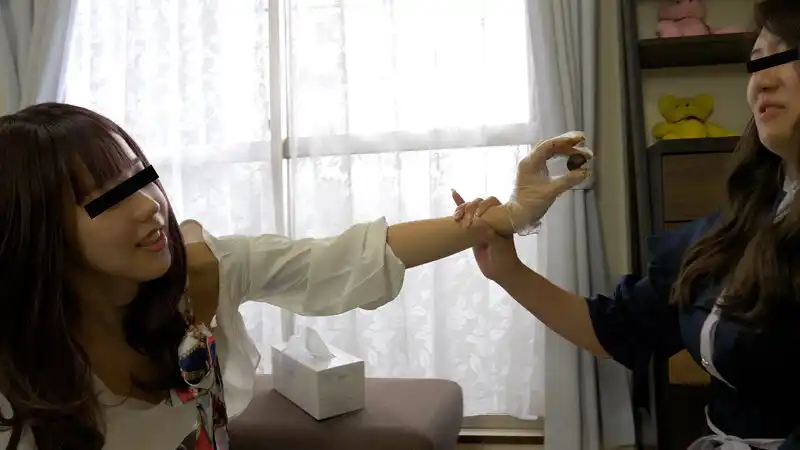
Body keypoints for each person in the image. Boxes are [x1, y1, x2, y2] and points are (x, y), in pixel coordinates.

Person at [0, 102, 589, 450]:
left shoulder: (200, 276)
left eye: (140, 176)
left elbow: (340, 259)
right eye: (105, 198)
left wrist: (512, 214)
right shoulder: (17, 371)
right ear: (39, 230)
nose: (148, 205)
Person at [455, 0, 800, 448]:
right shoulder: (740, 223)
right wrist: (507, 269)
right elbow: (621, 328)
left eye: (788, 54)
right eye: (758, 59)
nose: (764, 79)